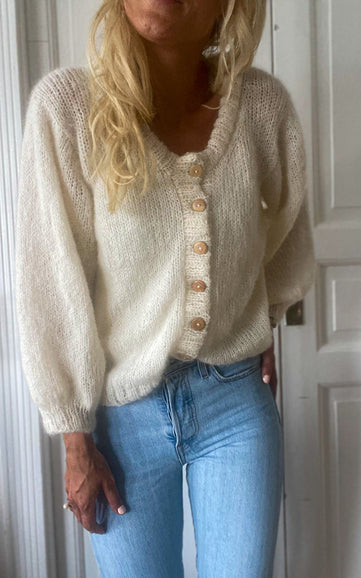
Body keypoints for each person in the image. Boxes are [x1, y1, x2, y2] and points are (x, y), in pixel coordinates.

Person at [15, 0, 316, 576]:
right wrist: (74, 437)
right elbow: (50, 281)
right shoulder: (69, 109)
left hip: (235, 404)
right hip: (120, 420)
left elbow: (288, 231)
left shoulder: (261, 106)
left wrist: (259, 316)